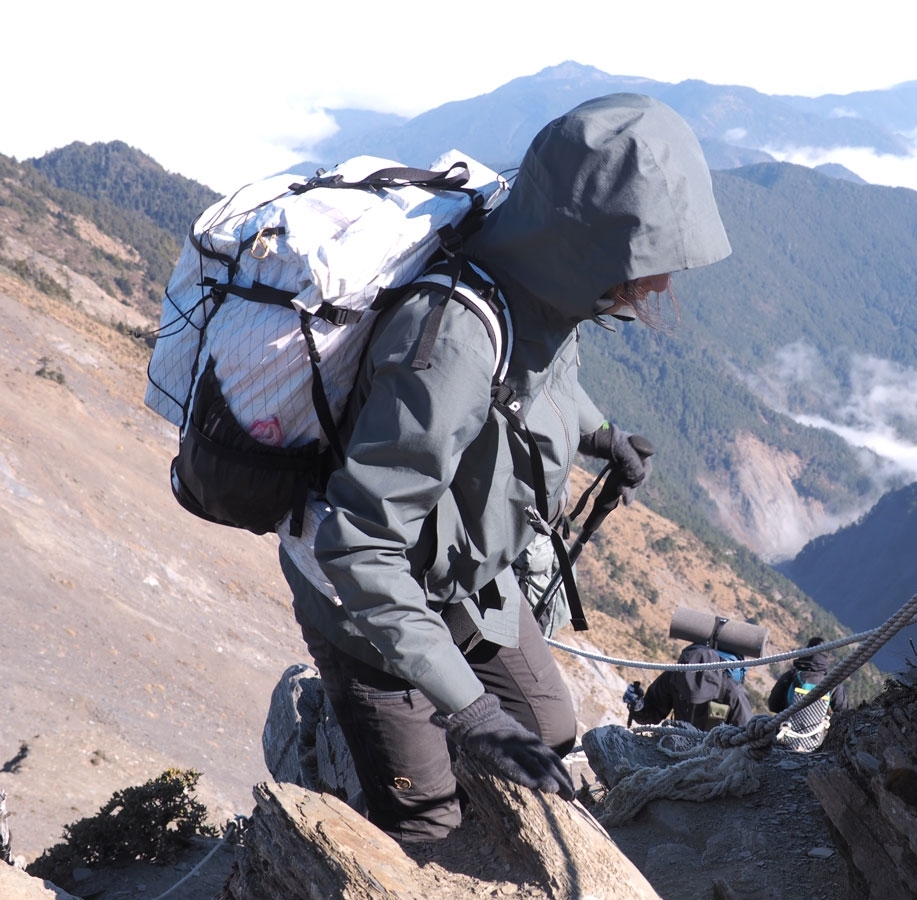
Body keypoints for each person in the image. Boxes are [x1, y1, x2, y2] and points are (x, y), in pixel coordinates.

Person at [278, 93, 731, 842]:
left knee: (551, 734)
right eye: (649, 260)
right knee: (429, 824)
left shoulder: (538, 285)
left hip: (472, 583)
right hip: (370, 614)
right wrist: (474, 714)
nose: (659, 285)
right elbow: (360, 547)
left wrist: (602, 434)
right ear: (591, 242)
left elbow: (534, 386)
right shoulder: (451, 340)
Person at [629, 643, 753, 731]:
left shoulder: (734, 693)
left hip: (715, 755)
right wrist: (637, 705)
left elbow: (745, 735)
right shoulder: (673, 677)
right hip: (679, 744)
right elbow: (651, 713)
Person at [768, 636, 849, 751]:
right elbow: (844, 714)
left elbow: (773, 705)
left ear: (806, 651)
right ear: (825, 658)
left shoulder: (791, 676)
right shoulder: (832, 683)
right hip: (814, 745)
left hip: (783, 738)